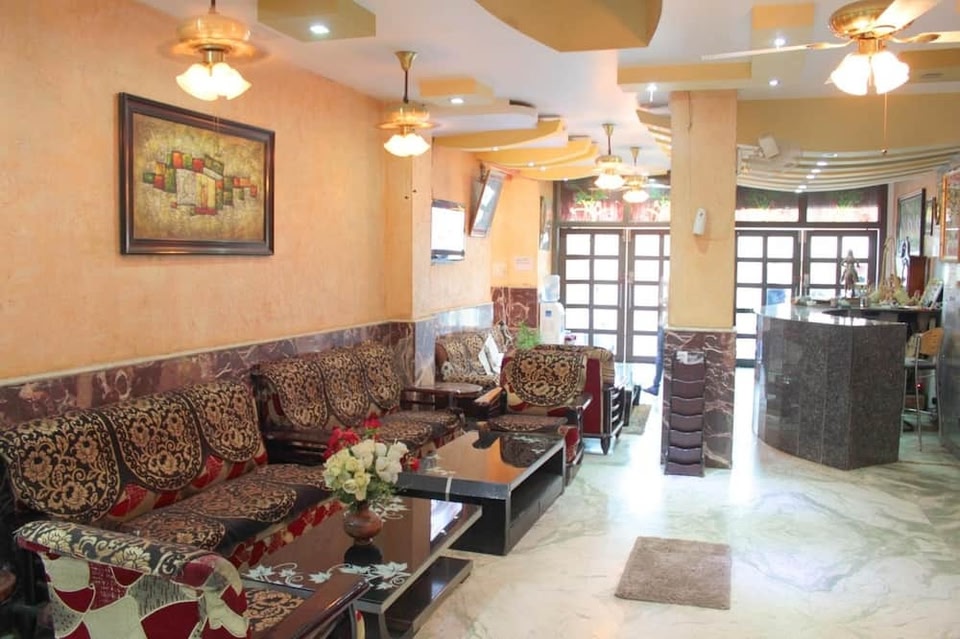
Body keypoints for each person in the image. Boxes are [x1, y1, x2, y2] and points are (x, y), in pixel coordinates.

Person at [644, 275, 669, 396]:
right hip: (665, 325)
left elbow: (663, 302)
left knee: (660, 357)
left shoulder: (672, 294)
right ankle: (656, 386)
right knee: (661, 357)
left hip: (665, 326)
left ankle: (656, 386)